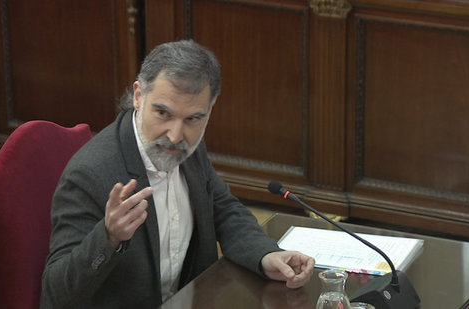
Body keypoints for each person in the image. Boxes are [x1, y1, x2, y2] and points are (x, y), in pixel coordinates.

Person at [40, 40, 315, 308]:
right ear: (138, 96)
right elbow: (56, 295)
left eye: (193, 118)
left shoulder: (189, 147)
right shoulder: (91, 174)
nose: (175, 135)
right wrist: (109, 238)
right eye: (163, 113)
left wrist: (265, 255)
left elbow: (224, 209)